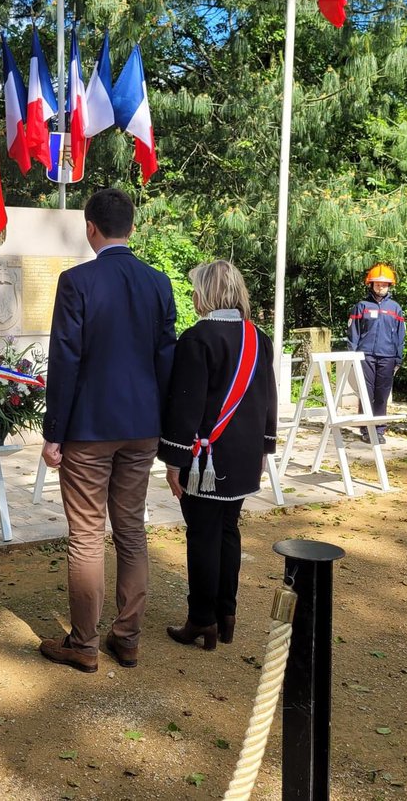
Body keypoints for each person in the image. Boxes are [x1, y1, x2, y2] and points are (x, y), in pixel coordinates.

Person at [38, 188, 177, 673]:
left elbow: (66, 359)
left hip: (90, 428)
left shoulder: (77, 281)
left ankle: (83, 642)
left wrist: (53, 431)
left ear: (90, 227)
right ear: (132, 228)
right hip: (142, 427)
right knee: (132, 530)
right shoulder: (159, 284)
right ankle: (128, 636)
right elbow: (166, 361)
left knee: (87, 535)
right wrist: (162, 425)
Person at [159, 260, 277, 650]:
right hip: (244, 455)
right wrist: (266, 445)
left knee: (204, 535)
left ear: (205, 292)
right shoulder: (258, 337)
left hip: (205, 461)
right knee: (228, 531)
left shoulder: (198, 338)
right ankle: (226, 615)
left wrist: (173, 460)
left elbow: (185, 407)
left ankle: (202, 620)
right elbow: (269, 399)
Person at [346, 264, 406, 444]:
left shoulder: (395, 308)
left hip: (387, 356)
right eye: (377, 284)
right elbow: (353, 333)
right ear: (370, 285)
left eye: (384, 284)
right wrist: (352, 355)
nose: (381, 287)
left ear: (389, 286)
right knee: (366, 392)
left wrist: (398, 357)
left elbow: (400, 336)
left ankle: (379, 429)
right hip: (365, 356)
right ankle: (365, 428)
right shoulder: (361, 306)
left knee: (382, 394)